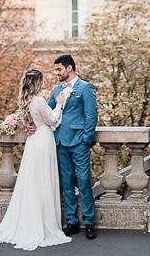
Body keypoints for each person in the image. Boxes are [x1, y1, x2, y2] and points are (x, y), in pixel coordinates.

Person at [0, 68, 72, 250]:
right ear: (37, 83)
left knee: (33, 181)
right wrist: (60, 104)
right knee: (43, 180)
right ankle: (44, 224)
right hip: (43, 140)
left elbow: (26, 123)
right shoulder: (39, 100)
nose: (44, 83)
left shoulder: (26, 101)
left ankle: (32, 221)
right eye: (42, 80)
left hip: (33, 142)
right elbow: (53, 120)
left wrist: (26, 126)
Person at [49, 53, 99, 240]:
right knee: (67, 182)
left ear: (69, 68)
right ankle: (72, 222)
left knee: (84, 181)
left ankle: (89, 222)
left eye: (59, 69)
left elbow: (91, 115)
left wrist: (86, 139)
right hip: (60, 142)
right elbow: (48, 110)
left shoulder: (85, 88)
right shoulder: (56, 90)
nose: (57, 73)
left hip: (79, 142)